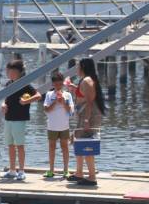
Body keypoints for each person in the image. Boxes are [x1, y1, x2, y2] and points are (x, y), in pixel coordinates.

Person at [66, 58, 106, 186]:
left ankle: (92, 177)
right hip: (83, 115)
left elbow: (89, 102)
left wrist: (87, 120)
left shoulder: (87, 81)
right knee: (78, 141)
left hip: (89, 116)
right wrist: (74, 88)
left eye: (78, 66)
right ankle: (79, 173)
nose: (76, 69)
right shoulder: (84, 81)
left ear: (83, 67)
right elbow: (83, 95)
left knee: (87, 144)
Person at [0, 59, 41, 181]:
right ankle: (12, 170)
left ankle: (21, 171)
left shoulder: (25, 84)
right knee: (10, 145)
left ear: (19, 72)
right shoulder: (8, 84)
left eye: (12, 71)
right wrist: (3, 104)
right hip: (8, 118)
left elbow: (38, 95)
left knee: (20, 145)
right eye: (8, 71)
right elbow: (5, 98)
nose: (9, 74)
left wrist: (26, 101)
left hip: (19, 119)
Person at [43, 71, 74, 178]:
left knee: (65, 147)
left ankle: (66, 170)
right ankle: (51, 170)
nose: (57, 86)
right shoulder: (48, 94)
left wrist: (63, 102)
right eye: (55, 84)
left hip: (64, 126)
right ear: (52, 84)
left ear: (62, 84)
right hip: (52, 126)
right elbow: (46, 110)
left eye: (60, 84)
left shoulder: (68, 95)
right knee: (51, 147)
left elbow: (70, 111)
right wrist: (55, 102)